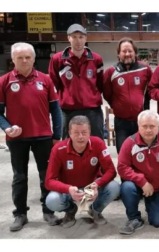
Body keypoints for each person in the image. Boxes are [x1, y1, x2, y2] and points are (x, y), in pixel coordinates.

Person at [0, 42, 62, 232]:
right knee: (20, 177)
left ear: (34, 58)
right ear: (13, 59)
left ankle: (48, 210)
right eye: (20, 57)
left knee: (46, 176)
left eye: (28, 57)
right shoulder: (4, 81)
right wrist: (7, 128)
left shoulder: (45, 80)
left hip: (43, 137)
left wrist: (57, 136)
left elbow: (56, 110)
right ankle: (20, 214)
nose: (25, 60)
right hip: (17, 139)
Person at [44, 115, 120, 228]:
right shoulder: (58, 149)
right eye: (76, 132)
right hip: (70, 191)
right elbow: (49, 181)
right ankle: (70, 210)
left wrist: (97, 185)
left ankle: (94, 210)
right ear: (69, 132)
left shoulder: (98, 144)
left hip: (90, 190)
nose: (80, 137)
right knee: (51, 200)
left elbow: (111, 171)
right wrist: (68, 189)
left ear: (90, 132)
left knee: (114, 187)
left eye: (84, 132)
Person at [117, 110, 159, 235]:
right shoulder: (129, 142)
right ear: (139, 126)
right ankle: (134, 218)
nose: (148, 130)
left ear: (158, 127)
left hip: (157, 188)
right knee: (126, 187)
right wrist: (142, 181)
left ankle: (152, 207)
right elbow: (122, 167)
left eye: (152, 126)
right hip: (137, 186)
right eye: (144, 126)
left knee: (158, 222)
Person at [48, 23, 105, 139]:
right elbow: (54, 84)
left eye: (81, 37)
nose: (78, 40)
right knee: (68, 142)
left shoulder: (96, 59)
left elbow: (100, 83)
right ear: (68, 38)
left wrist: (91, 96)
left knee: (96, 141)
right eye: (74, 37)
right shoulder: (57, 59)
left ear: (85, 38)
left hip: (93, 110)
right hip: (68, 110)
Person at [103, 37, 152, 153]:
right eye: (124, 51)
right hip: (121, 122)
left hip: (141, 121)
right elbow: (107, 94)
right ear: (118, 54)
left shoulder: (145, 69)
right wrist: (117, 105)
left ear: (135, 52)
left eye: (130, 51)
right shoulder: (111, 72)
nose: (127, 54)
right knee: (123, 154)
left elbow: (151, 90)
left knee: (142, 154)